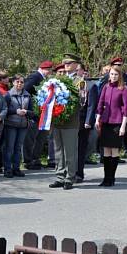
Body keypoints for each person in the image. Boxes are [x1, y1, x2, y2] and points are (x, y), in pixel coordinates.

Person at [49, 57, 83, 190]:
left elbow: (82, 101)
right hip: (57, 120)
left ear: (76, 65)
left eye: (69, 63)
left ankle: (69, 177)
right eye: (65, 63)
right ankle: (59, 176)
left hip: (70, 120)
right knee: (58, 150)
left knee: (69, 150)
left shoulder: (79, 81)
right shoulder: (58, 80)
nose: (66, 65)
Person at [94, 66, 127, 186]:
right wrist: (98, 119)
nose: (113, 76)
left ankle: (112, 178)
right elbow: (100, 103)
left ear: (119, 76)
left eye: (116, 74)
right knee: (106, 151)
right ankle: (105, 178)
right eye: (112, 74)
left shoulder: (124, 89)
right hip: (106, 122)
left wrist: (123, 126)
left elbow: (125, 109)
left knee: (114, 151)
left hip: (117, 122)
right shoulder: (106, 87)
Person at [23, 60, 52, 170]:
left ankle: (35, 159)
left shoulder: (42, 78)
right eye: (49, 70)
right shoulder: (35, 77)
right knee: (31, 138)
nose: (50, 73)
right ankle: (28, 160)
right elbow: (25, 90)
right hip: (34, 112)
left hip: (42, 113)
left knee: (40, 137)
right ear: (45, 69)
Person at [3, 74, 31, 178]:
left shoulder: (27, 95)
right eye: (17, 81)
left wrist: (26, 111)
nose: (19, 84)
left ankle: (16, 168)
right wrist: (16, 111)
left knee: (18, 148)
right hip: (11, 124)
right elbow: (4, 110)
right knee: (9, 148)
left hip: (23, 125)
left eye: (22, 82)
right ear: (13, 82)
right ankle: (7, 169)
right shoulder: (8, 95)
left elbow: (32, 111)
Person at [77, 72, 100, 183]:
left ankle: (79, 174)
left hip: (83, 122)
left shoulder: (90, 86)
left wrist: (88, 121)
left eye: (80, 71)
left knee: (81, 148)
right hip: (71, 122)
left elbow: (92, 105)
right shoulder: (71, 84)